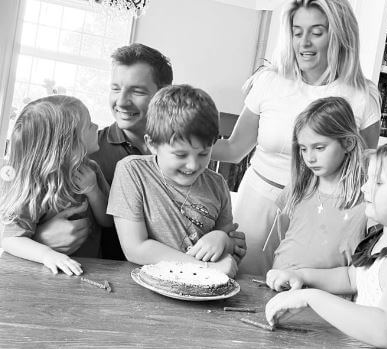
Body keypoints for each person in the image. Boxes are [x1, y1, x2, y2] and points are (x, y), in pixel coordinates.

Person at [211, 0, 381, 275]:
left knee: (298, 293)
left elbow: (364, 173)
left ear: (339, 34)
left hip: (320, 211)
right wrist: (173, 145)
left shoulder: (362, 95)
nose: (304, 42)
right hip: (259, 202)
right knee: (241, 288)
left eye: (317, 32)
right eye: (297, 31)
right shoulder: (269, 82)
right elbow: (234, 149)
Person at [265, 138, 387, 349]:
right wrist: (302, 275)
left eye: (378, 182)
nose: (365, 187)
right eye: (368, 179)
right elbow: (354, 277)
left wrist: (311, 298)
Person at [107, 85, 246, 277]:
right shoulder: (132, 171)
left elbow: (231, 249)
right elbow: (134, 248)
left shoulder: (218, 184)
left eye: (204, 153)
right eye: (180, 154)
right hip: (145, 286)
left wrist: (222, 238)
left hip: (202, 290)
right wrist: (204, 268)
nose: (192, 165)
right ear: (152, 144)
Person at [0, 96, 112, 275]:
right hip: (47, 273)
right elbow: (11, 240)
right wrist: (47, 255)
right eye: (89, 125)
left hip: (91, 271)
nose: (97, 127)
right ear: (68, 145)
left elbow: (108, 221)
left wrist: (93, 191)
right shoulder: (35, 186)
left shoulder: (92, 170)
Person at [90, 43, 174, 260]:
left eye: (137, 91)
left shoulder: (185, 153)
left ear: (163, 93)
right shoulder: (90, 153)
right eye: (116, 88)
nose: (121, 101)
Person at [270, 97, 367, 272]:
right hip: (280, 286)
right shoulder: (297, 188)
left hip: (326, 295)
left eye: (319, 148)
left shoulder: (367, 199)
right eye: (303, 149)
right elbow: (283, 237)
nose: (310, 158)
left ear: (348, 143)